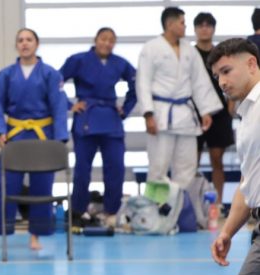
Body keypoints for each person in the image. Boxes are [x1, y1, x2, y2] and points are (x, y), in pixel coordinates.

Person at [180, 39, 260, 275]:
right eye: (217, 76)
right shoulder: (246, 117)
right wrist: (227, 231)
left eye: (227, 71)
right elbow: (249, 183)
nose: (222, 81)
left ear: (252, 64)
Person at [0, 28, 68, 253]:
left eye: (29, 39)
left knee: (42, 185)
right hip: (15, 134)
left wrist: (60, 138)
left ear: (37, 44)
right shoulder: (5, 75)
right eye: (20, 40)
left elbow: (59, 107)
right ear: (16, 45)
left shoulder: (51, 74)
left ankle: (35, 235)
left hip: (42, 135)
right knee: (4, 184)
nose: (25, 43)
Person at [136, 7, 222, 192]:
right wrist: (148, 114)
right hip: (160, 115)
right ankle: (156, 208)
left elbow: (199, 81)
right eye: (182, 23)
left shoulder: (189, 50)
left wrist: (205, 111)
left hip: (185, 115)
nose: (185, 27)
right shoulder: (151, 48)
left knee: (187, 167)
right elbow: (142, 82)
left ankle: (180, 207)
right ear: (170, 24)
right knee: (158, 166)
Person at [59, 27, 137, 228]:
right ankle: (78, 211)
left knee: (116, 167)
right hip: (87, 117)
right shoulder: (78, 60)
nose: (107, 43)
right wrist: (70, 105)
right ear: (96, 40)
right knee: (82, 169)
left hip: (111, 119)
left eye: (111, 40)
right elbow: (55, 82)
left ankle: (111, 212)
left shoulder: (120, 63)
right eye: (103, 39)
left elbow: (137, 84)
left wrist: (125, 109)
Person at [194, 12, 234, 219]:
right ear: (195, 29)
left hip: (219, 114)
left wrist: (232, 101)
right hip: (194, 114)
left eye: (208, 25)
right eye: (200, 25)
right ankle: (193, 206)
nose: (204, 29)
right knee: (191, 162)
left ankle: (217, 205)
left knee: (217, 160)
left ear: (213, 29)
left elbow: (232, 77)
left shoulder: (220, 55)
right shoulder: (190, 54)